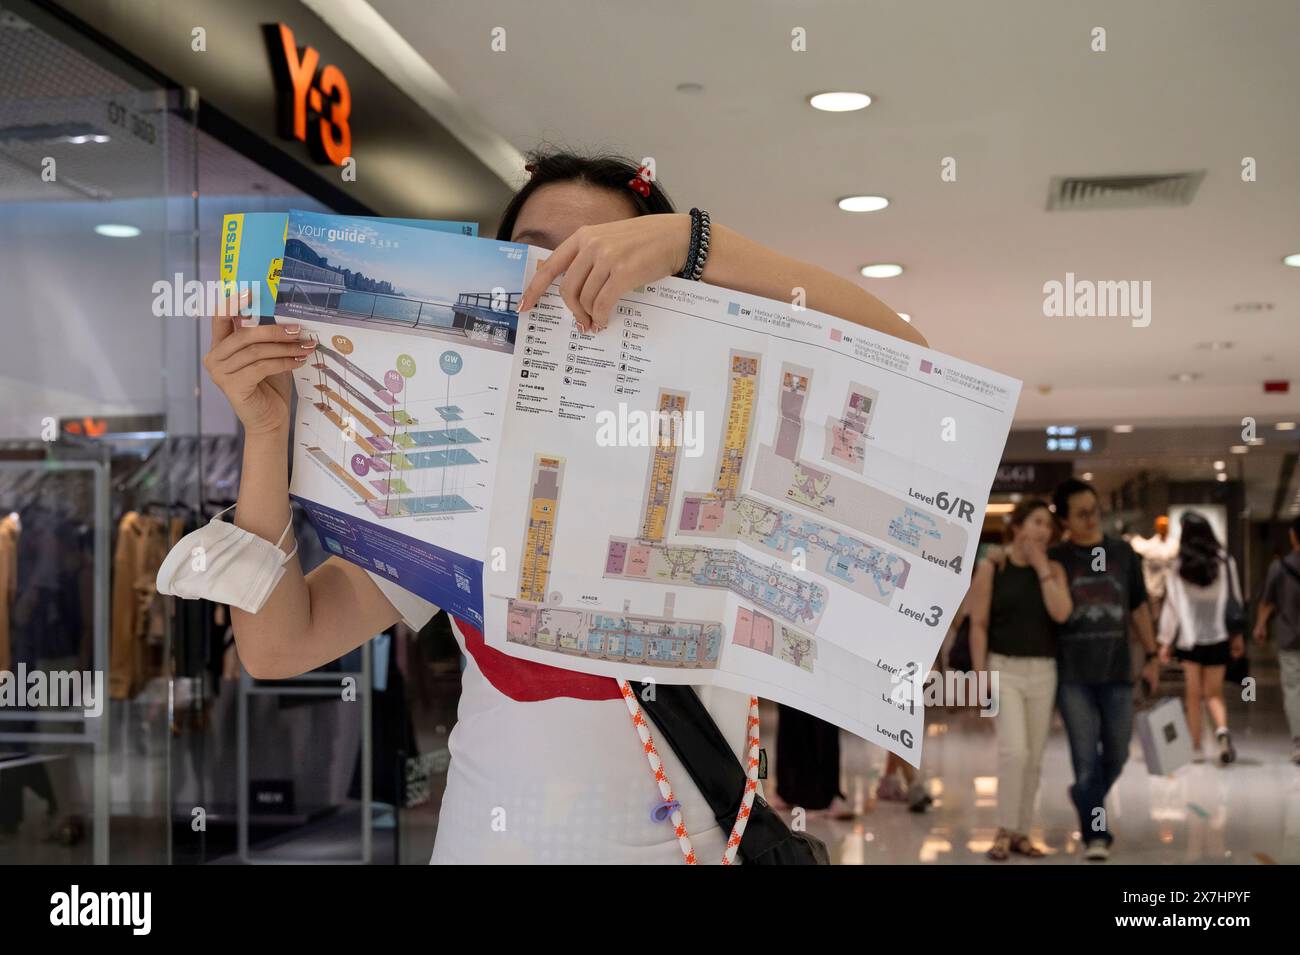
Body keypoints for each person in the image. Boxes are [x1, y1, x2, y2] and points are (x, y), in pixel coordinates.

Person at [202, 150, 924, 864]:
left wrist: (693, 242)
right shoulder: (454, 469)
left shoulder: (731, 460)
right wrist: (268, 435)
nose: (562, 285)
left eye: (608, 263)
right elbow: (277, 645)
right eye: (536, 260)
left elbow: (917, 368)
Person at [1048, 478, 1159, 862]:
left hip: (1117, 672)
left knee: (1117, 752)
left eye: (1095, 510)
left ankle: (1083, 793)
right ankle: (1097, 833)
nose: (1092, 518)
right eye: (1081, 513)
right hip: (1073, 675)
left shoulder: (1123, 553)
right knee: (1085, 757)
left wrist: (1153, 655)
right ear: (1064, 520)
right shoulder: (1057, 558)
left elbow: (1139, 608)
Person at [968, 498, 1072, 860]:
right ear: (1018, 527)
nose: (1044, 531)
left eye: (1048, 525)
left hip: (1043, 672)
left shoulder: (1054, 570)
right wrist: (979, 676)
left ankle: (1022, 832)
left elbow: (1061, 613)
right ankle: (1003, 829)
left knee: (1034, 757)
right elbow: (978, 624)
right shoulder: (992, 567)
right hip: (1003, 669)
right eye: (1037, 522)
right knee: (1014, 752)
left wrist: (1042, 567)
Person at [1156, 511, 1245, 764]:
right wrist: (1237, 636)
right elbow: (1235, 601)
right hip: (1219, 636)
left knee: (1193, 694)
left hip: (1190, 639)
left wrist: (1164, 641)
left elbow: (1171, 608)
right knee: (1214, 693)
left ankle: (1195, 747)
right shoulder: (1225, 562)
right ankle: (1222, 732)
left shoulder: (1178, 568)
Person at [1254, 515, 1300, 765]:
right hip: (1289, 637)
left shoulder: (1279, 567)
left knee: (1294, 689)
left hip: (1290, 636)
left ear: (1293, 536)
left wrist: (1260, 625)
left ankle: (1299, 741)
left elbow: (1267, 602)